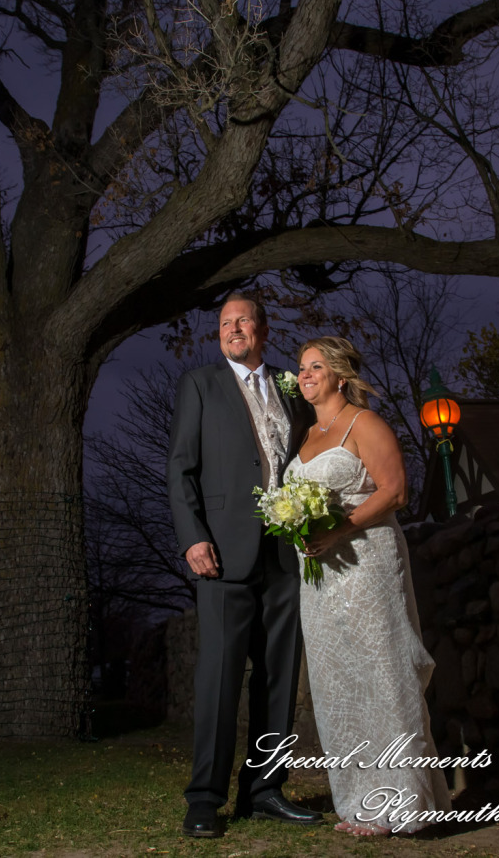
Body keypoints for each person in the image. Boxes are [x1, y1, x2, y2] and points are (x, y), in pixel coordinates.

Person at [167, 294, 322, 838]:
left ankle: (265, 789)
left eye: (243, 321)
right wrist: (193, 539)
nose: (233, 329)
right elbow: (181, 469)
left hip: (287, 551)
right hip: (223, 553)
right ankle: (204, 798)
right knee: (219, 676)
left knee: (279, 676)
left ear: (263, 328)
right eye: (225, 323)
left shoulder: (288, 384)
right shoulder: (201, 385)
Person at [285, 336, 451, 836]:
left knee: (381, 674)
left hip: (366, 566)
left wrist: (338, 529)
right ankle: (358, 801)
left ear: (339, 375)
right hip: (320, 580)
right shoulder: (309, 435)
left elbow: (395, 490)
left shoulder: (365, 423)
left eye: (315, 366)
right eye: (301, 368)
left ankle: (401, 803)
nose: (304, 375)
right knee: (338, 684)